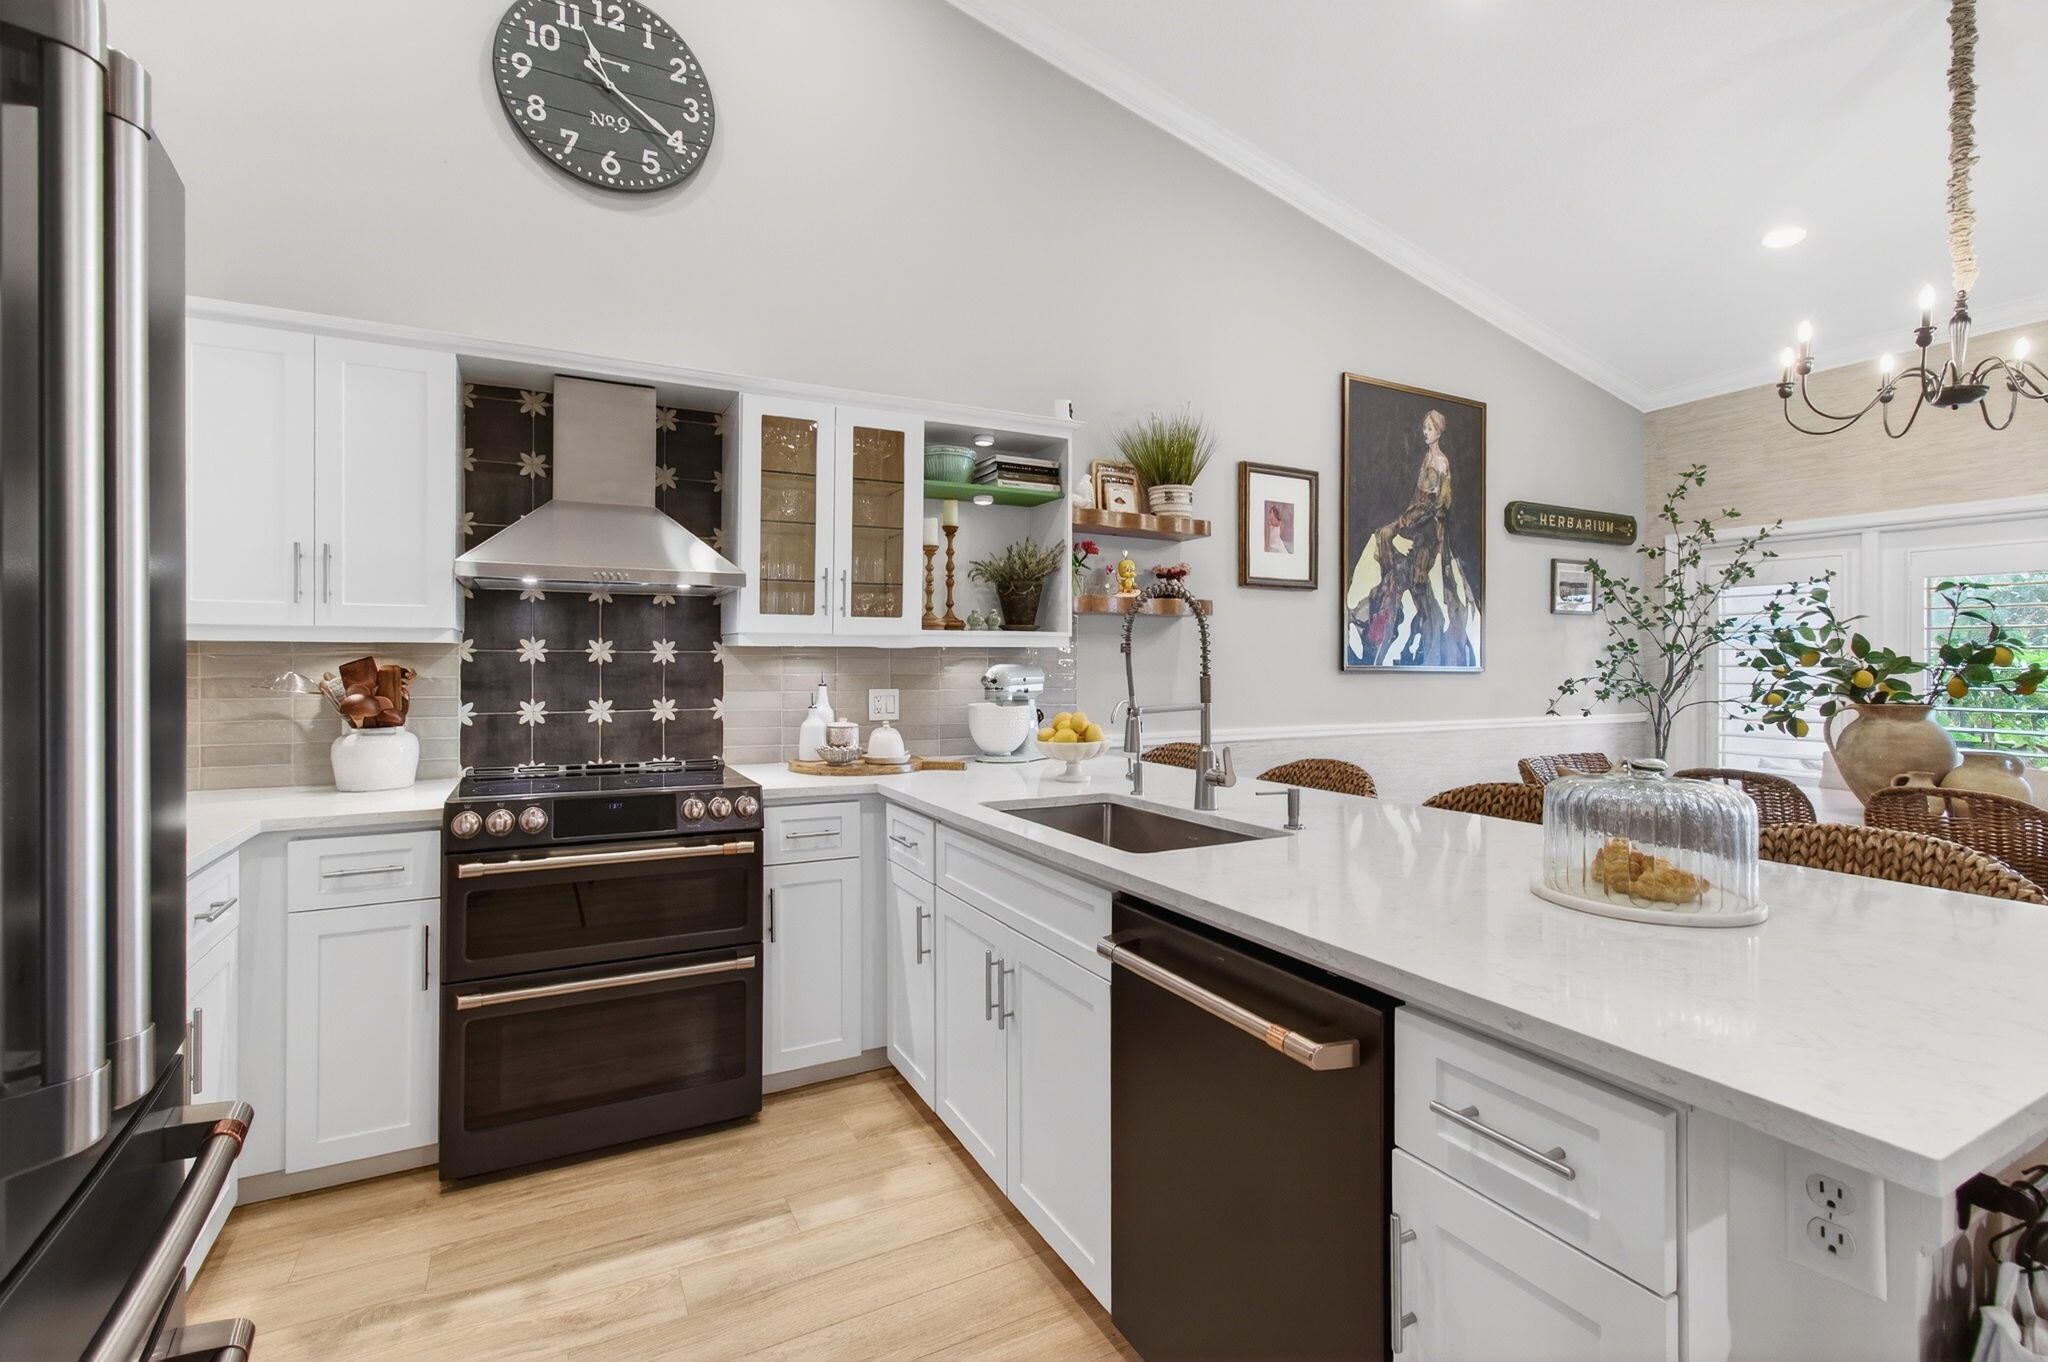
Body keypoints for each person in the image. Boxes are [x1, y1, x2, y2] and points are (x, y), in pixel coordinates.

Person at [1350, 409, 1474, 667]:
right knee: (1397, 575)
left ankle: (1424, 641)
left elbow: (1428, 505)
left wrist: (1399, 525)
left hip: (1427, 533)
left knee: (1417, 583)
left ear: (1439, 431)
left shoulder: (1438, 462)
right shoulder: (1429, 458)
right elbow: (1419, 502)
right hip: (1420, 527)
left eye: (1429, 429)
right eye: (1424, 428)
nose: (1425, 432)